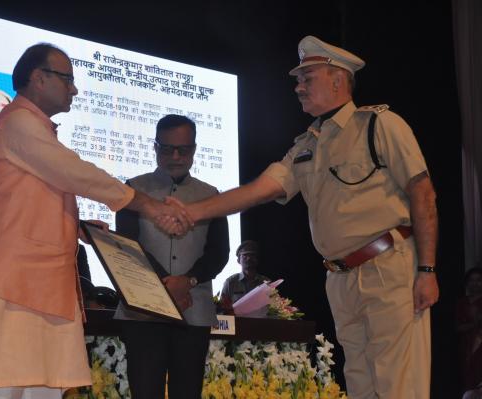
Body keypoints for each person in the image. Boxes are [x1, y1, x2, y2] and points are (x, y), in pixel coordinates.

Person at [168, 36, 439, 399]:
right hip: (341, 279)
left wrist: (427, 270)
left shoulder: (380, 125)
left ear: (338, 80)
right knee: (360, 383)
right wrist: (194, 211)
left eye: (307, 77)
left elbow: (424, 195)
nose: (298, 87)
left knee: (399, 385)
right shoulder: (307, 145)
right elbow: (259, 189)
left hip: (389, 267)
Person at [0, 43, 190, 399]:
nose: (74, 89)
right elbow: (74, 172)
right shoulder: (16, 122)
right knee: (1, 388)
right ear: (39, 78)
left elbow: (26, 206)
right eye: (68, 79)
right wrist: (147, 205)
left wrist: (78, 226)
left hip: (41, 294)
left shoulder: (33, 129)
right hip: (6, 288)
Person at [115, 114, 230, 399]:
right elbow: (127, 245)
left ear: (193, 149)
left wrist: (187, 280)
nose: (175, 156)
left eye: (183, 149)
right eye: (167, 148)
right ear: (155, 147)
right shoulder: (132, 189)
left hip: (194, 312)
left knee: (187, 392)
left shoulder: (211, 195)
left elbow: (219, 253)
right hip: (142, 311)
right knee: (144, 392)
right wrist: (167, 285)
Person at [458, 266, 482, 395]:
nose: (475, 283)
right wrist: (474, 322)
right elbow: (457, 327)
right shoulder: (462, 303)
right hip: (465, 346)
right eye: (472, 280)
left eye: (479, 280)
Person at [220, 240, 269, 305]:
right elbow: (222, 309)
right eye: (245, 255)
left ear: (257, 259)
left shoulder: (266, 282)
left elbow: (274, 309)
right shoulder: (230, 282)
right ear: (238, 260)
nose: (249, 258)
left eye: (252, 255)